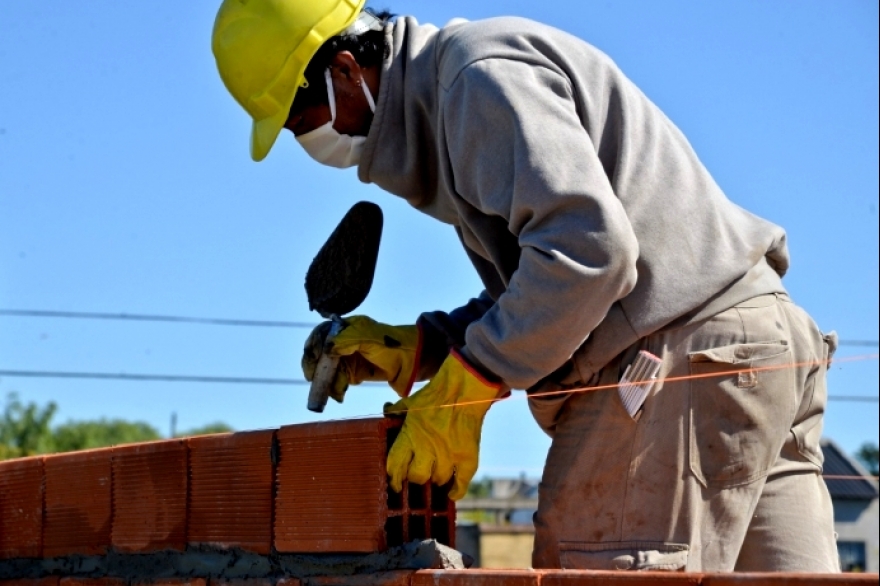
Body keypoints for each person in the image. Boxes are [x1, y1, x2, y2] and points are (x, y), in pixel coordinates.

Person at [212, 0, 840, 572]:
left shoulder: (473, 81)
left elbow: (590, 255)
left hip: (669, 360)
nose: (304, 141)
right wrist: (427, 346)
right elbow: (561, 274)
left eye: (299, 120)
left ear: (345, 71)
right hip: (752, 350)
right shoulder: (457, 91)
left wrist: (474, 376)